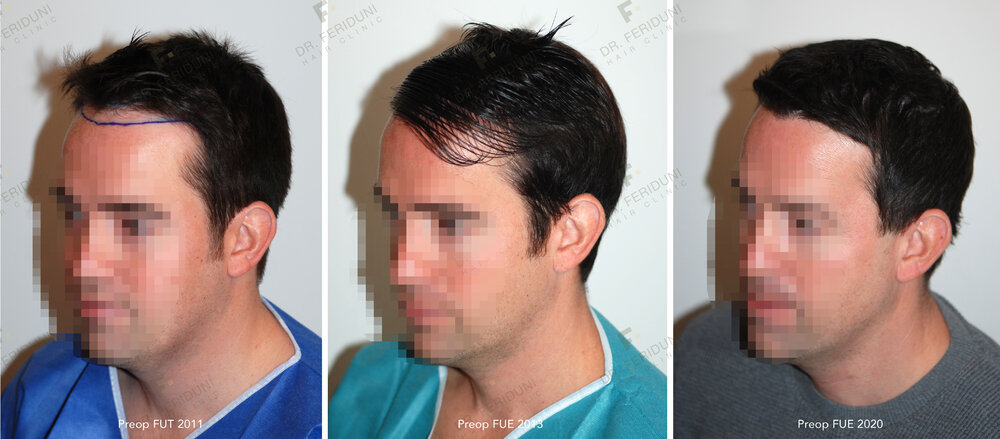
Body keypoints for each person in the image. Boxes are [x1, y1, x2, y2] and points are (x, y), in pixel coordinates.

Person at [330, 21, 668, 438]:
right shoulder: (373, 384)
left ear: (571, 234)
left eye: (451, 224)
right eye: (394, 215)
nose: (402, 269)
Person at [1, 32, 321, 438]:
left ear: (245, 239)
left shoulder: (325, 422)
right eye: (74, 213)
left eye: (133, 224)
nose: (83, 264)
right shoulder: (44, 389)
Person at [675, 39, 1000, 437]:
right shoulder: (705, 355)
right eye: (748, 205)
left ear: (918, 245)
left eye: (803, 223)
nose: (752, 259)